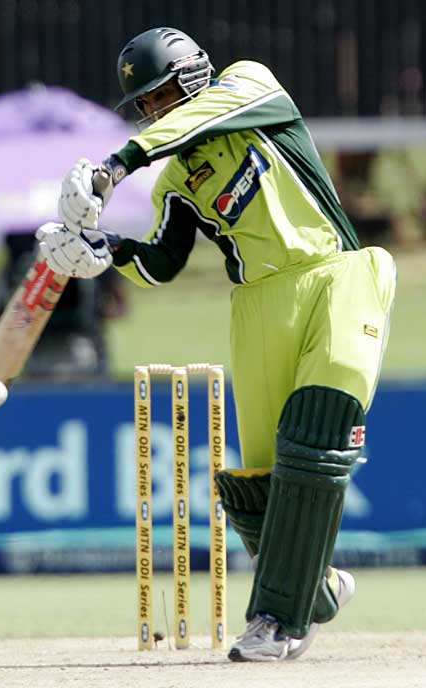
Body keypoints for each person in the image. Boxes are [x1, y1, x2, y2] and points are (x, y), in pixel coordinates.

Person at [36, 27, 396, 661]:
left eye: (161, 95)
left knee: (315, 435)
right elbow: (163, 262)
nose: (155, 110)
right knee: (262, 482)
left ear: (192, 76)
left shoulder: (250, 86)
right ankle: (316, 589)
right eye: (145, 104)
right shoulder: (178, 178)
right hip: (257, 306)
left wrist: (113, 167)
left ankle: (276, 620)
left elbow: (197, 119)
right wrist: (104, 252)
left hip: (338, 275)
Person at [0, 231, 127, 381]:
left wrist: (93, 312)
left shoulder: (92, 248)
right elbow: (1, 311)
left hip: (79, 344)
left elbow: (119, 305)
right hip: (38, 347)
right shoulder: (20, 248)